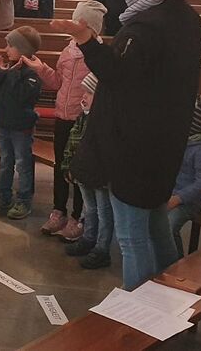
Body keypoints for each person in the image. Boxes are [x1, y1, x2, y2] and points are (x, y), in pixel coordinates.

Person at [52, 0, 201, 290]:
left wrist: (86, 40)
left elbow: (118, 76)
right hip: (164, 141)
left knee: (132, 239)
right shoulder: (187, 17)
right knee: (157, 228)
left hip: (136, 147)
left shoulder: (148, 25)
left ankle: (142, 313)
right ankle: (170, 303)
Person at [22, 1, 107, 241]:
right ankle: (58, 211)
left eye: (80, 23)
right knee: (61, 165)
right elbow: (58, 82)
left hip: (84, 120)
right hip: (62, 115)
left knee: (80, 171)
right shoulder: (68, 52)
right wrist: (41, 69)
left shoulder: (99, 55)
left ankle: (78, 217)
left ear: (91, 28)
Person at [0, 26, 43, 220]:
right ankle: (3, 195)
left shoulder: (31, 74)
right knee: (5, 162)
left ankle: (24, 200)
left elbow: (21, 96)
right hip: (3, 123)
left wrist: (11, 73)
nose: (6, 49)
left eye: (10, 45)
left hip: (21, 127)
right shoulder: (8, 70)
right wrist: (2, 72)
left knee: (23, 164)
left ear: (23, 49)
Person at [62, 73, 113, 269]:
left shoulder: (105, 121)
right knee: (89, 209)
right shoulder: (83, 117)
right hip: (83, 171)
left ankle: (102, 249)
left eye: (89, 93)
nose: (83, 96)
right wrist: (69, 165)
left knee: (103, 212)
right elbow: (73, 142)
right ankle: (88, 239)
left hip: (99, 174)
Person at [169, 95, 201, 257]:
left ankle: (176, 264)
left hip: (190, 201)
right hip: (172, 194)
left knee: (169, 226)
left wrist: (178, 198)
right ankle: (159, 259)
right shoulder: (183, 139)